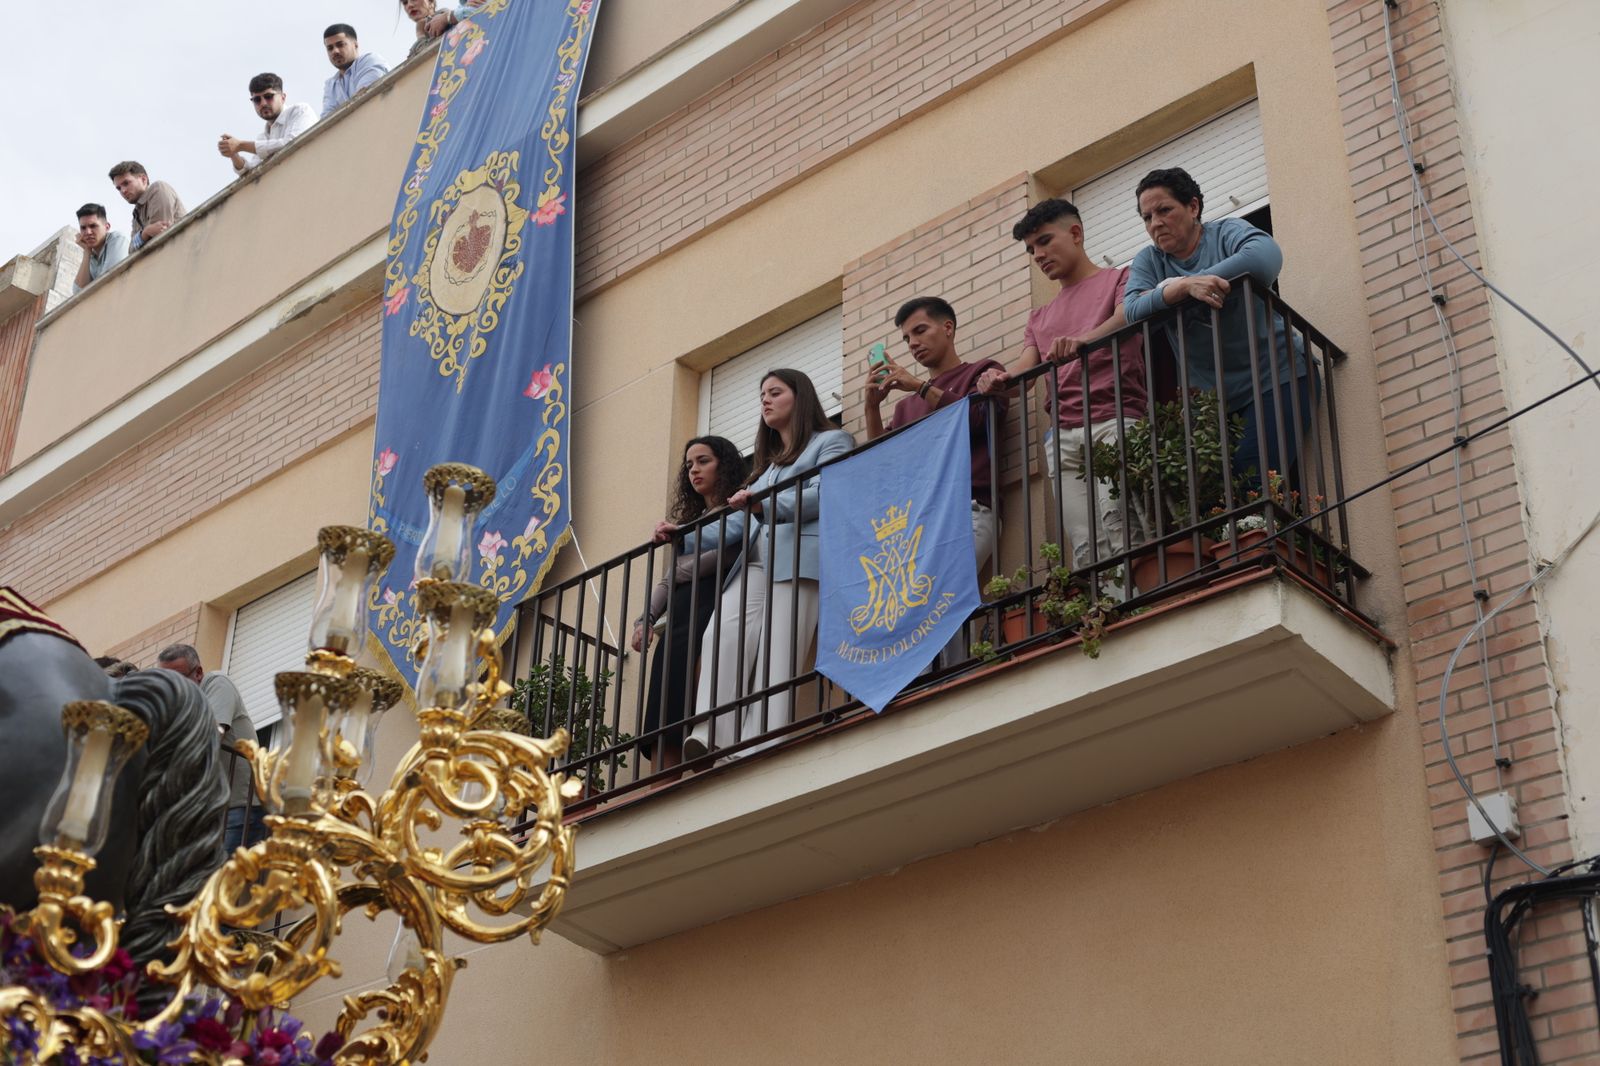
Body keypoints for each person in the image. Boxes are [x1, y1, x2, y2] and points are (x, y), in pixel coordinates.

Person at [685, 370, 854, 760]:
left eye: (775, 392)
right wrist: (682, 535)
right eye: (762, 394)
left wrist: (765, 504)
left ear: (800, 397)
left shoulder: (832, 441)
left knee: (779, 651)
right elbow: (738, 523)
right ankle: (712, 732)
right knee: (720, 634)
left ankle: (761, 741)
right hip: (756, 564)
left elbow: (830, 493)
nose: (765, 400)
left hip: (799, 559)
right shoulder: (769, 467)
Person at [978, 198, 1149, 577]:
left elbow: (1129, 315)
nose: (1038, 255)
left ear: (1075, 233)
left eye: (1044, 241)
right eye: (1031, 249)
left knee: (1124, 529)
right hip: (1064, 438)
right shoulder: (1039, 317)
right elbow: (1023, 374)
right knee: (1086, 548)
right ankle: (1110, 610)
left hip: (1115, 420)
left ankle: (1145, 605)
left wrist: (1084, 339)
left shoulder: (1120, 278)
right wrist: (996, 379)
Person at [1123, 167, 1312, 483]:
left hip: (1275, 377)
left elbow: (1264, 258)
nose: (1155, 223)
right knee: (1214, 496)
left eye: (1164, 210)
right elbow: (1132, 311)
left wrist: (1187, 285)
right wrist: (1184, 287)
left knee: (1253, 480)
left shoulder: (1225, 232)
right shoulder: (1150, 261)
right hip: (1211, 404)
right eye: (1147, 217)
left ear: (1193, 207)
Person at [864, 295, 1007, 582]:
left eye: (920, 331)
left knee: (942, 591)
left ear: (948, 328)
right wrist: (872, 408)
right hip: (919, 521)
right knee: (928, 603)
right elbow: (884, 465)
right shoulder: (905, 407)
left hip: (967, 508)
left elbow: (976, 419)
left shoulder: (981, 371)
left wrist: (919, 386)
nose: (913, 343)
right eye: (907, 339)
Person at [632, 436, 748, 770]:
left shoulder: (740, 509)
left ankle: (701, 782)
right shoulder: (694, 522)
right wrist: (645, 619)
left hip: (709, 614)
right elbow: (669, 580)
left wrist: (681, 540)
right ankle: (661, 790)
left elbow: (718, 558)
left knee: (698, 709)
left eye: (703, 461)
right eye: (689, 465)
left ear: (724, 465)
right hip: (679, 622)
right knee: (664, 714)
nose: (694, 470)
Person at [155, 644, 263, 851]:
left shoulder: (217, 683)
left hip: (240, 806)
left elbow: (212, 735)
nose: (172, 689)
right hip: (212, 814)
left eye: (178, 680)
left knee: (225, 871)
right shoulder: (180, 708)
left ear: (198, 673)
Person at [219, 73, 318, 175]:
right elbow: (251, 172)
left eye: (268, 96)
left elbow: (292, 143)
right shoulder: (262, 138)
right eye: (257, 99)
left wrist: (240, 145)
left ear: (283, 97)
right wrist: (233, 153)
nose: (263, 103)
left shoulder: (300, 110)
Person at [109, 162, 185, 251]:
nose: (123, 191)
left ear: (143, 179)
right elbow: (131, 251)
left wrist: (142, 236)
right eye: (119, 188)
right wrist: (145, 233)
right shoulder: (137, 213)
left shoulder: (158, 189)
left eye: (126, 183)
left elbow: (160, 235)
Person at [322, 24, 390, 114]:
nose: (335, 51)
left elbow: (363, 97)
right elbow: (328, 118)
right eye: (330, 48)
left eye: (340, 45)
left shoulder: (369, 61)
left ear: (355, 45)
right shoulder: (331, 85)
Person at [72, 204, 128, 292]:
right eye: (83, 228)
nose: (88, 232)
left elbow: (108, 279)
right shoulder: (91, 255)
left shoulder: (117, 239)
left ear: (107, 227)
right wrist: (87, 251)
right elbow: (78, 292)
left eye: (93, 226)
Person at [404, 0, 491, 54]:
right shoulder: (461, 7)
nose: (409, 5)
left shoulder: (443, 18)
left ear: (430, 1)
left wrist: (448, 17)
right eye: (404, 2)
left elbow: (485, 11)